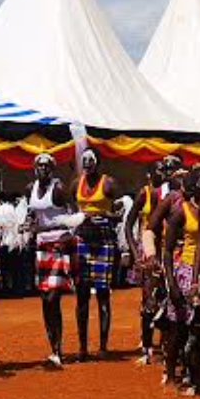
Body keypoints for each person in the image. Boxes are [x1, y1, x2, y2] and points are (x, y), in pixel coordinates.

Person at [160, 166, 200, 394]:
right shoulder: (180, 211)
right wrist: (171, 283)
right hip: (186, 272)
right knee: (179, 327)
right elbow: (167, 250)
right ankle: (171, 372)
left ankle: (195, 375)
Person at [27, 153, 76, 367]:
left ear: (52, 169)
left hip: (58, 246)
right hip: (41, 247)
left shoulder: (59, 189)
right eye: (40, 166)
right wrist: (27, 224)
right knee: (44, 298)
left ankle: (57, 351)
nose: (43, 169)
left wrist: (52, 230)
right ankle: (53, 349)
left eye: (47, 166)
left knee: (52, 298)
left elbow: (75, 216)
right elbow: (31, 213)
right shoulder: (31, 188)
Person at [130, 158, 178, 365]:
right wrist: (138, 253)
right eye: (164, 169)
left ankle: (168, 346)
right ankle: (147, 347)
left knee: (169, 299)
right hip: (153, 251)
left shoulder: (181, 195)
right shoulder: (151, 194)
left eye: (172, 169)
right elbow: (135, 225)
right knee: (150, 299)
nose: (168, 173)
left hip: (175, 252)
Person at [73, 147, 119, 360]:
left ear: (98, 163)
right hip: (82, 241)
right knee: (82, 294)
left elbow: (119, 212)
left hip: (104, 241)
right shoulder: (76, 183)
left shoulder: (108, 183)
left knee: (102, 294)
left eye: (91, 160)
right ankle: (82, 348)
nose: (87, 163)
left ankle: (103, 346)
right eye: (85, 160)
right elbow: (71, 209)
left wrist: (105, 214)